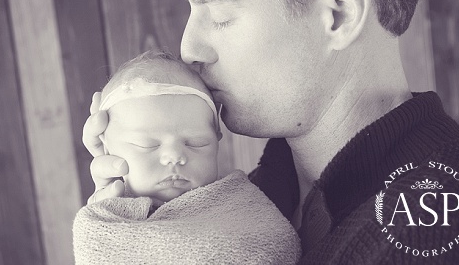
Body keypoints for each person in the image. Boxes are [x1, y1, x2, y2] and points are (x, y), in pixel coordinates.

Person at [83, 0, 459, 262]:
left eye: (220, 14)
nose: (189, 49)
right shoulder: (252, 202)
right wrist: (145, 226)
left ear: (339, 15)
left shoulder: (442, 228)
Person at [72, 51, 299, 264]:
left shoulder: (245, 209)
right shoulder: (108, 223)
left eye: (196, 143)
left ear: (217, 140)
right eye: (147, 144)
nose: (175, 156)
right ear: (107, 148)